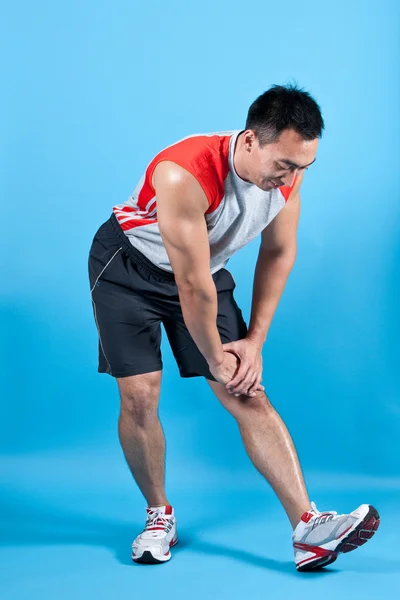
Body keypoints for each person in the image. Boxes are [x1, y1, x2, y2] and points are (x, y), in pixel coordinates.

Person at [88, 83, 380, 571]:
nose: (290, 176)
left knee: (249, 391)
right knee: (139, 395)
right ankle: (159, 515)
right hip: (129, 271)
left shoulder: (290, 172)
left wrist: (254, 341)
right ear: (249, 141)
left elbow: (279, 251)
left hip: (202, 270)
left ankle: (309, 530)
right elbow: (192, 285)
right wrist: (216, 357)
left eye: (302, 167)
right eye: (282, 165)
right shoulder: (183, 173)